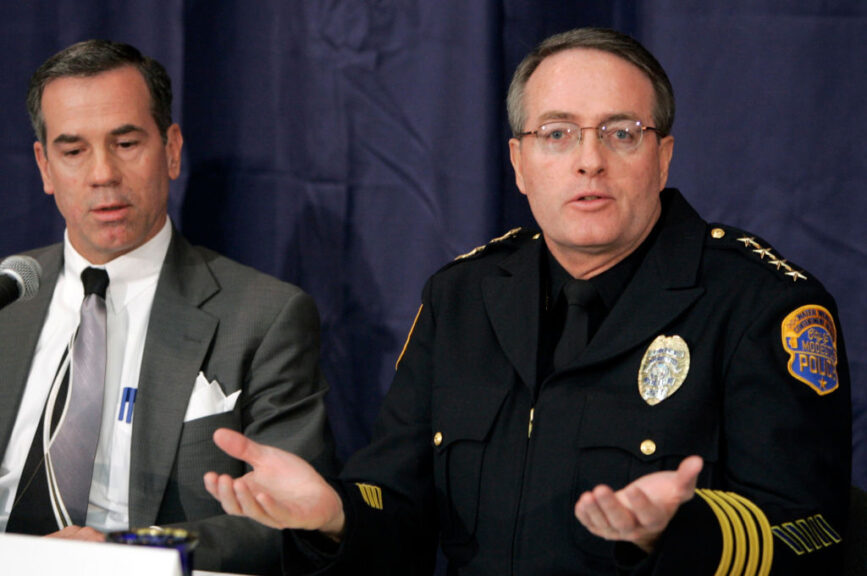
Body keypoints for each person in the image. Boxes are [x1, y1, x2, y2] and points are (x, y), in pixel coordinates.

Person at [204, 27, 851, 574]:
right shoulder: (460, 298)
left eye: (621, 133)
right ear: (518, 163)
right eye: (556, 134)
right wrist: (334, 516)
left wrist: (673, 531)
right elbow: (400, 510)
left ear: (662, 157)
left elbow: (811, 536)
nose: (588, 160)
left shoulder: (760, 306)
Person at [0, 40, 337, 574]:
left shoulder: (264, 317)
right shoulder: (8, 298)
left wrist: (124, 553)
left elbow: (289, 520)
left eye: (126, 142)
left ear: (172, 149)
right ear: (44, 166)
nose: (102, 173)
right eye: (73, 151)